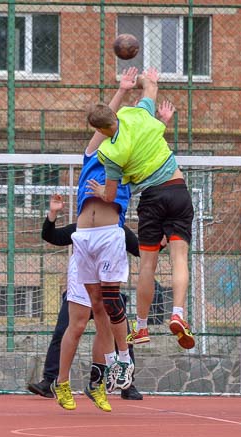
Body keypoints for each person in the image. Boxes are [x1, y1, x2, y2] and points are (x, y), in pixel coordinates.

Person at [86, 67, 195, 350]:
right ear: (117, 113)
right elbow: (150, 91)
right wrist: (145, 80)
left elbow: (110, 195)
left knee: (148, 265)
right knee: (179, 257)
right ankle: (179, 314)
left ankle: (143, 326)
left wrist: (99, 191)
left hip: (151, 198)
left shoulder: (110, 151)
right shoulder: (137, 114)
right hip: (178, 189)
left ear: (100, 129)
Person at [51, 68, 140, 411]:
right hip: (82, 239)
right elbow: (104, 121)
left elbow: (129, 134)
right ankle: (60, 383)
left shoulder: (127, 164)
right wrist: (122, 90)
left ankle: (103, 376)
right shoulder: (93, 153)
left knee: (106, 308)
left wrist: (107, 193)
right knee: (78, 319)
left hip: (108, 236)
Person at [26, 213, 143, 401]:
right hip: (81, 290)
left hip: (107, 291)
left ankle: (127, 383)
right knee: (63, 332)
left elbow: (140, 249)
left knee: (121, 334)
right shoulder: (81, 229)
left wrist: (157, 240)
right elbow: (51, 236)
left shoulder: (118, 231)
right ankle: (50, 381)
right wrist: (52, 216)